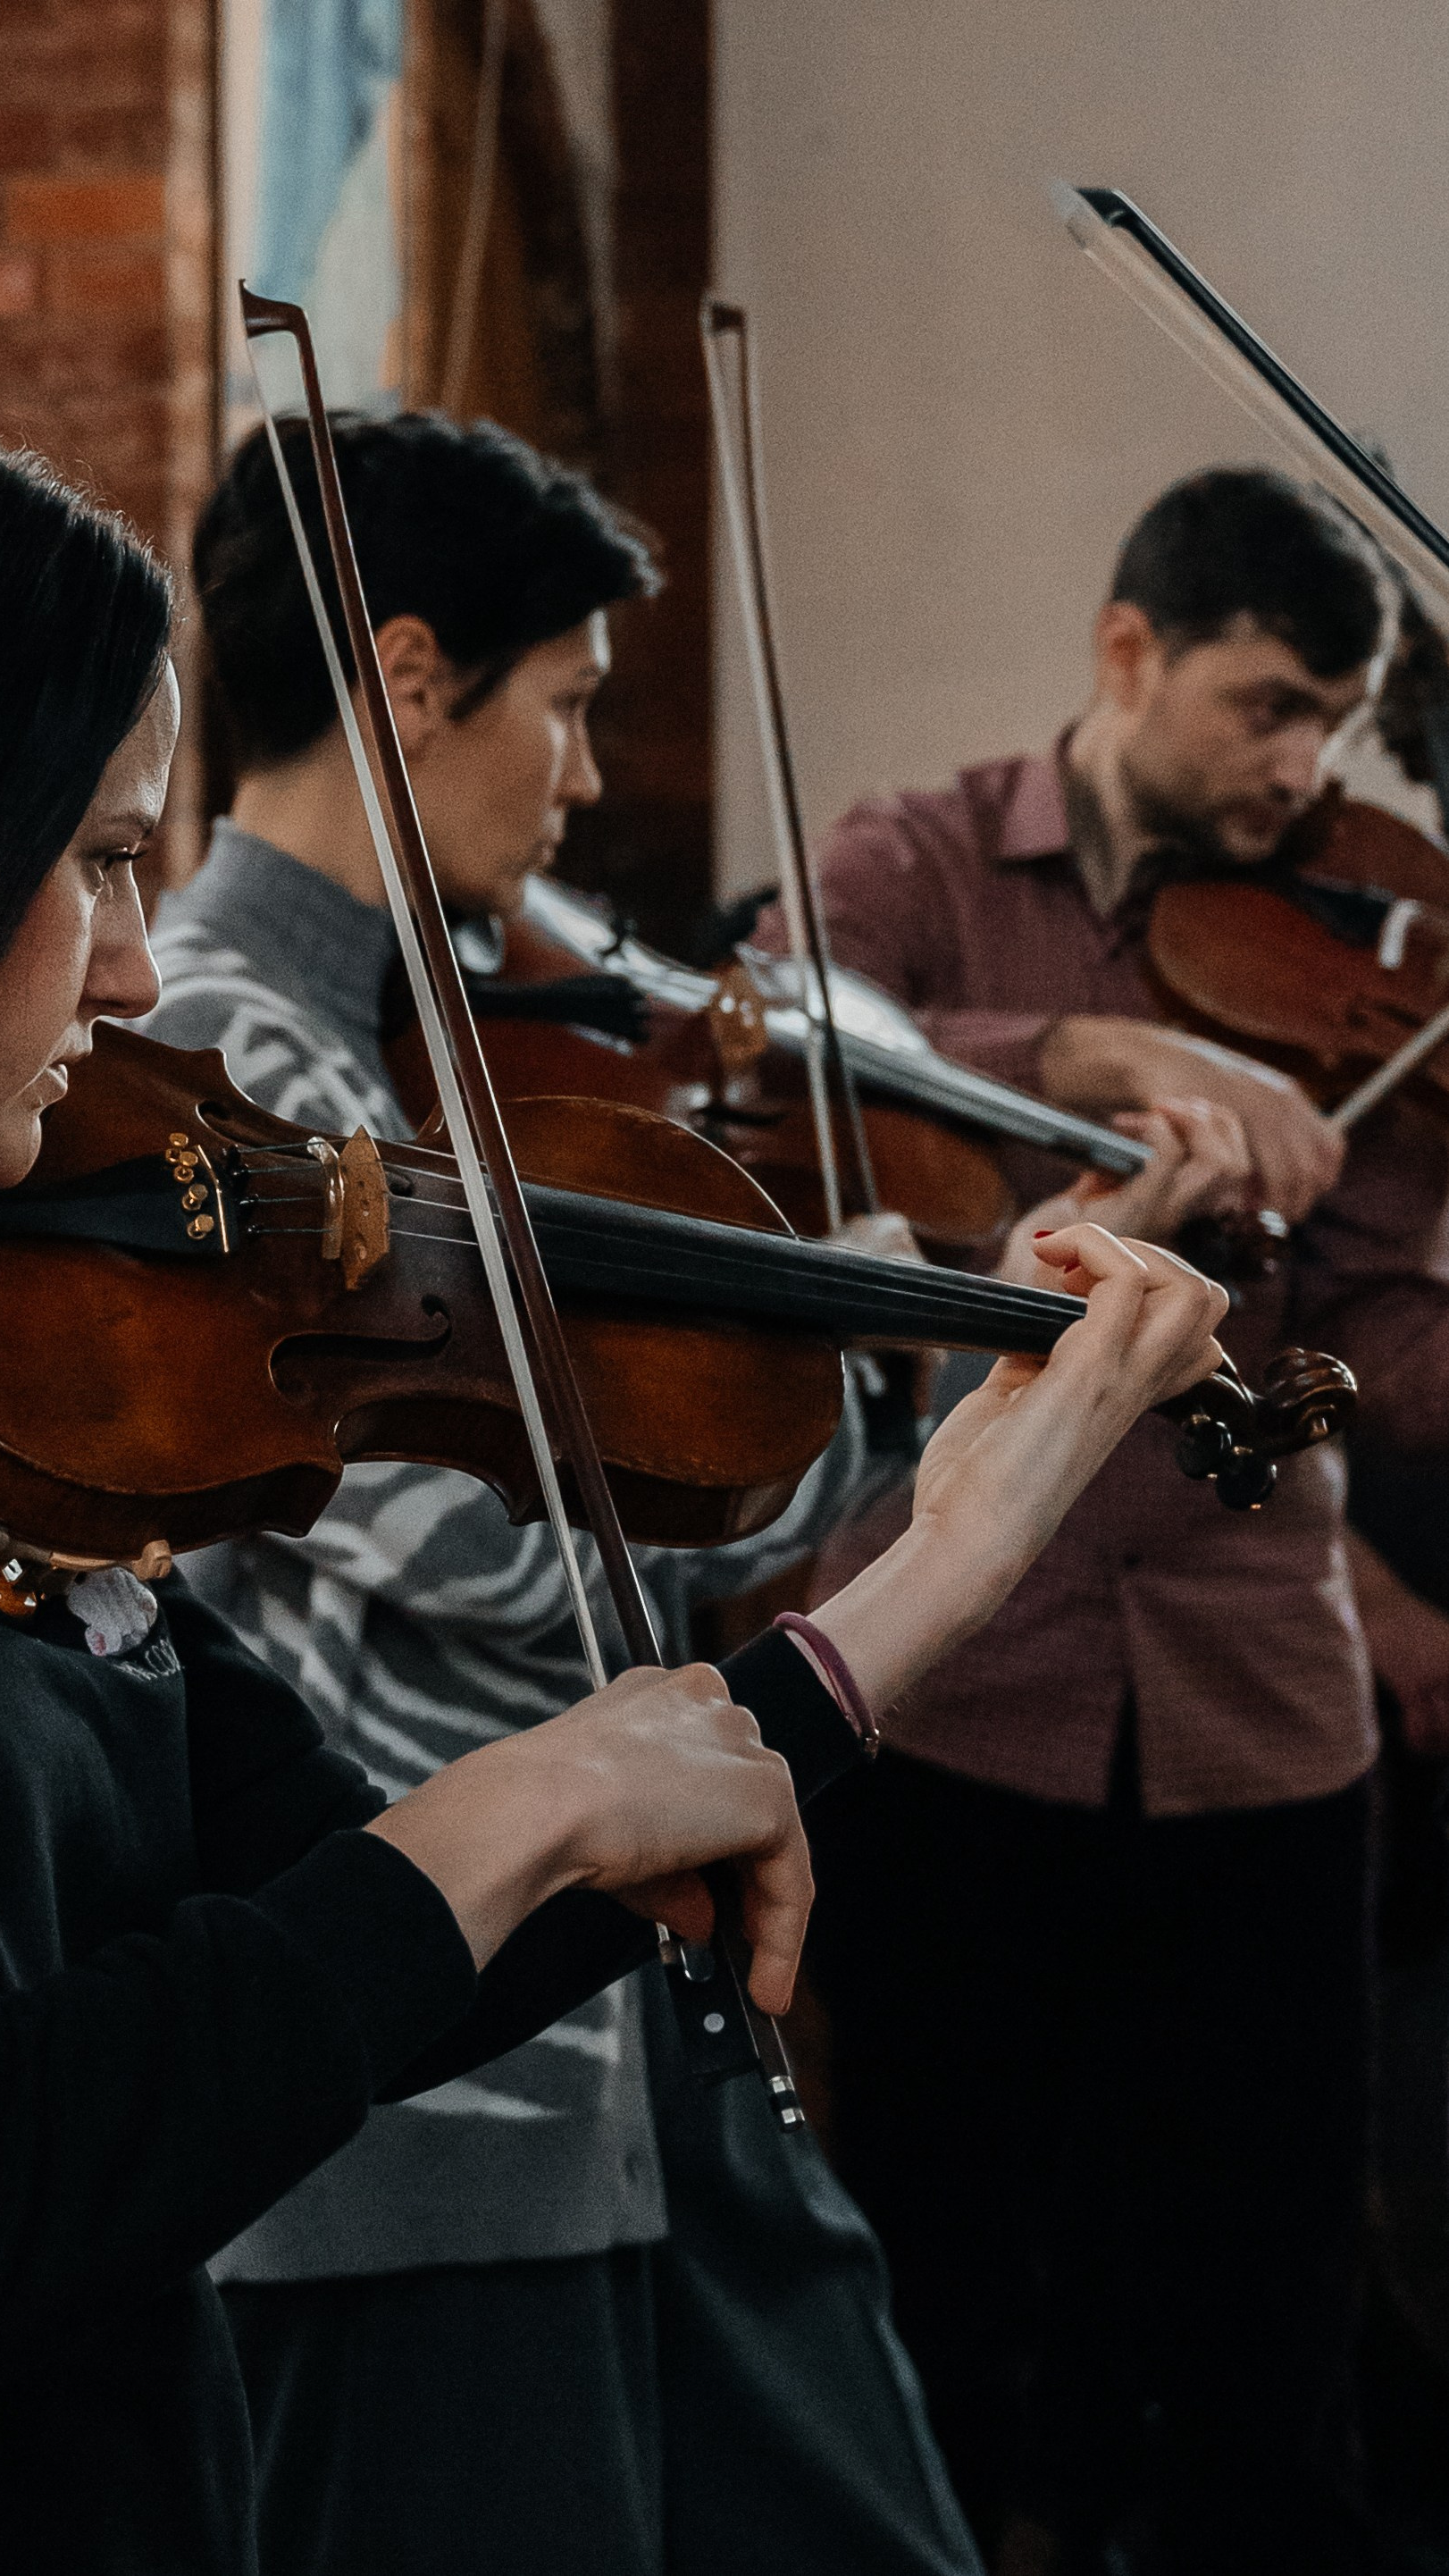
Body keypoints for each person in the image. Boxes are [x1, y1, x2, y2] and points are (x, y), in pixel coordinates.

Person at [0, 410, 1227, 2576]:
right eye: (92, 858)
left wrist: (941, 1568)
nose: (137, 970)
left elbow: (354, 1918)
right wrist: (524, 1801)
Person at [142, 411, 1235, 2576]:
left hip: (614, 2009)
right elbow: (464, 1532)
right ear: (413, 676)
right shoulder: (226, 1053)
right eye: (566, 706)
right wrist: (845, 1387)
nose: (579, 783)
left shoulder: (387, 1043)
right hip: (436, 2077)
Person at [785, 464, 1444, 2574]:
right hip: (967, 1694)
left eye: (1332, 724)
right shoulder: (916, 857)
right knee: (951, 2289)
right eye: (1264, 708)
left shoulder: (1367, 938)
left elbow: (1379, 1343)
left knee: (1266, 2317)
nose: (1300, 770)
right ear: (1126, 651)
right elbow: (797, 1072)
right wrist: (1078, 1058)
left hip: (1262, 1707)